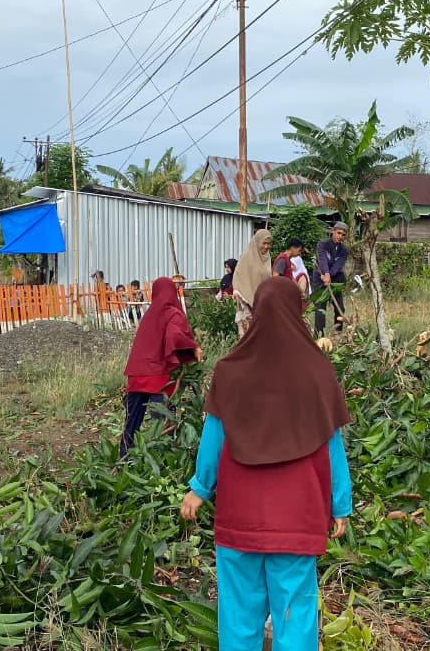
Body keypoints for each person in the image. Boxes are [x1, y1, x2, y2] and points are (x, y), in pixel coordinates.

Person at [180, 277, 352, 651]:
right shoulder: (318, 371)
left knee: (239, 613)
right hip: (297, 517)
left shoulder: (230, 370)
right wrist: (340, 504)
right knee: (295, 613)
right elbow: (332, 446)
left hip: (240, 517)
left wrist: (199, 489)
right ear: (298, 312)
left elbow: (213, 438)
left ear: (256, 312)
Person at [120, 277, 202, 457]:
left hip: (136, 375)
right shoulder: (172, 313)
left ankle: (124, 459)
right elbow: (174, 336)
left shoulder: (149, 314)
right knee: (163, 424)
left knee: (132, 422)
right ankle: (163, 461)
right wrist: (193, 347)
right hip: (159, 377)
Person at [232, 229, 272, 337]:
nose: (266, 246)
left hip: (264, 303)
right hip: (249, 304)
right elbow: (238, 277)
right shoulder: (246, 258)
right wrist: (238, 292)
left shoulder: (267, 258)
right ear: (257, 242)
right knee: (250, 337)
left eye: (269, 243)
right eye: (264, 243)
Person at [313, 222, 349, 336]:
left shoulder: (344, 251)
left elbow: (338, 266)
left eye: (343, 235)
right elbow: (322, 260)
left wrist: (329, 275)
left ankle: (337, 334)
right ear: (333, 231)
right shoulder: (322, 245)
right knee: (320, 308)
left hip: (335, 281)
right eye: (338, 233)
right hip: (320, 280)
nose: (340, 236)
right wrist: (325, 274)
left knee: (340, 308)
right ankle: (319, 334)